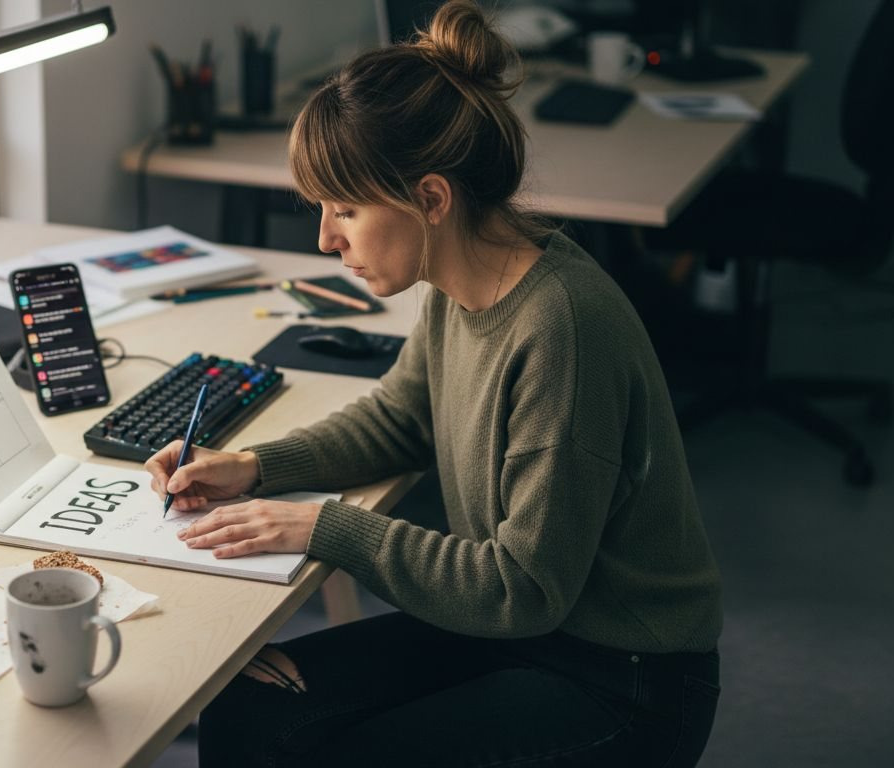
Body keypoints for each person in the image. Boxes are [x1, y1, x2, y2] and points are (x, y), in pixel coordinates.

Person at [144, 1, 722, 765]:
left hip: (623, 677)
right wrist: (254, 468)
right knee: (248, 714)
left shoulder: (561, 328)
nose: (325, 238)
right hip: (525, 635)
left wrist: (323, 528)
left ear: (431, 198)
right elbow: (400, 419)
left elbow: (522, 586)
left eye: (345, 208)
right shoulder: (462, 281)